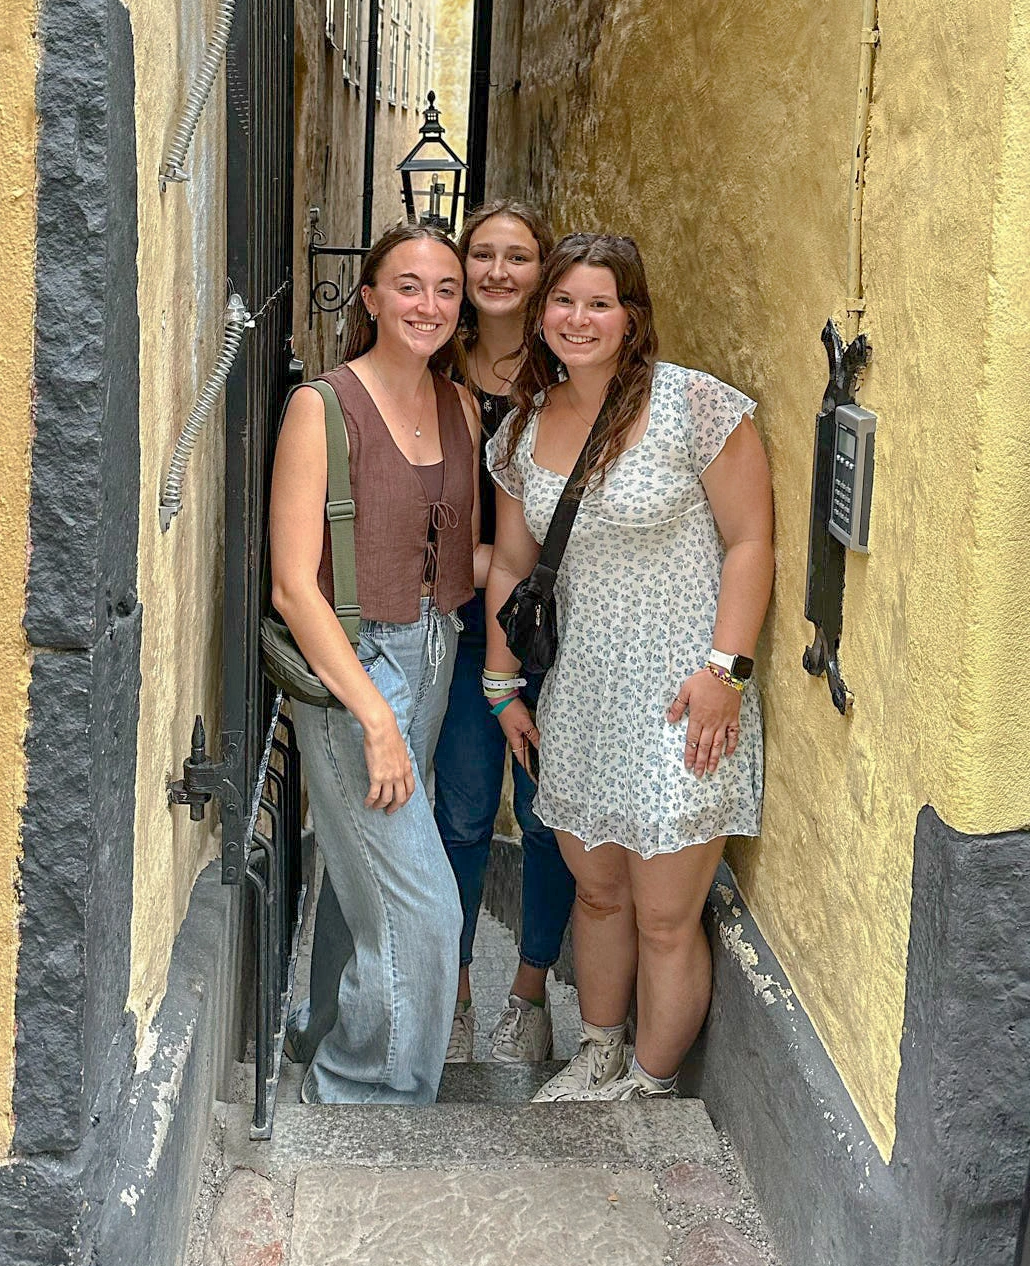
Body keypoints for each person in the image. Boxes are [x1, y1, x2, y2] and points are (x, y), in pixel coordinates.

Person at [484, 232, 773, 1102]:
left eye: (599, 303)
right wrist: (502, 687)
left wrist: (726, 673)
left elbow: (751, 543)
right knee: (599, 894)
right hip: (583, 698)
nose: (579, 319)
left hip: (685, 699)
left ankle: (649, 1086)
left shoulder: (697, 406)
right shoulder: (527, 426)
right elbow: (509, 566)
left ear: (632, 317)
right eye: (564, 302)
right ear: (542, 317)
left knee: (664, 914)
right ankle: (598, 1053)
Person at [269, 223, 481, 1105]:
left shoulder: (463, 407)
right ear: (369, 298)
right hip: (354, 672)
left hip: (436, 651)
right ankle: (370, 1100)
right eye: (407, 286)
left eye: (444, 288)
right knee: (425, 913)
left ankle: (316, 1036)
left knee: (368, 873)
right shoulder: (322, 407)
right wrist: (377, 716)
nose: (427, 304)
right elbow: (291, 584)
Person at [432, 201, 577, 1064]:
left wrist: (504, 568)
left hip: (557, 634)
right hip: (454, 625)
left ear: (543, 268)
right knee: (461, 810)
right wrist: (483, 566)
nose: (496, 272)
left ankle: (530, 993)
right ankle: (451, 993)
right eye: (481, 254)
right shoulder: (435, 366)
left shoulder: (570, 372)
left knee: (549, 813)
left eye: (516, 256)